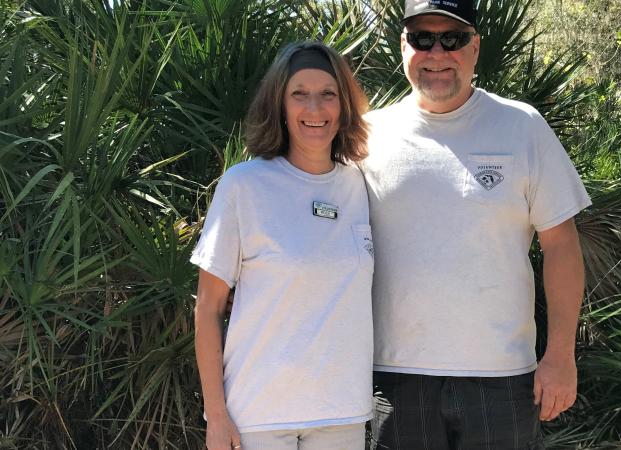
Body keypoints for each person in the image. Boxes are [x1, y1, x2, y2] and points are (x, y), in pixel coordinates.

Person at [360, 1, 591, 448]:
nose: (437, 53)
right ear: (403, 46)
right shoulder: (366, 136)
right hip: (393, 379)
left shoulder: (522, 126)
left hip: (501, 378)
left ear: (475, 47)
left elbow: (561, 244)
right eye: (423, 39)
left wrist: (560, 356)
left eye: (453, 39)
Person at [192, 42, 374, 450]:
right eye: (299, 94)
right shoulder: (244, 185)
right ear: (279, 103)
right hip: (258, 416)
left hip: (341, 414)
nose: (314, 108)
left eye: (328, 93)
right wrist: (216, 415)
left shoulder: (360, 185)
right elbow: (207, 308)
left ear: (343, 105)